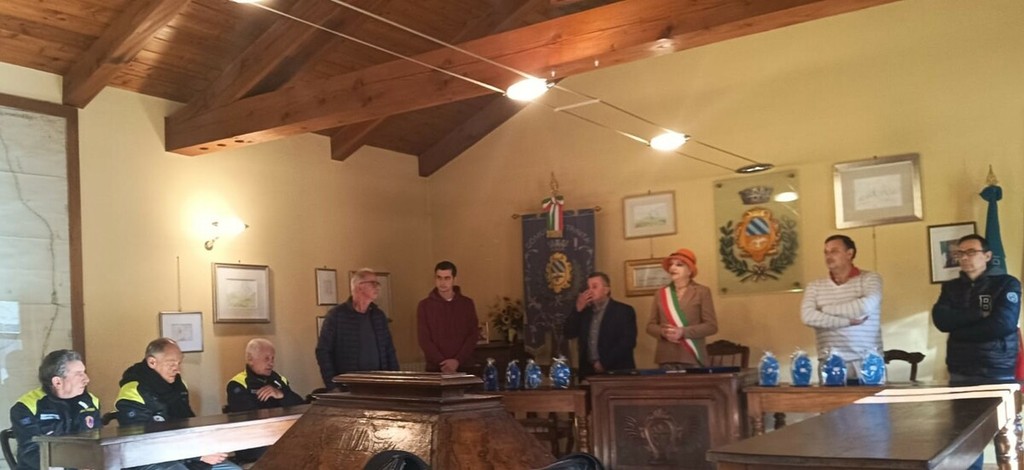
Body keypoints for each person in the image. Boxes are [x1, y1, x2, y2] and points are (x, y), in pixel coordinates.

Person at [932, 234, 1021, 470]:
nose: (965, 257)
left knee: (1005, 433)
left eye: (971, 252)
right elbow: (941, 320)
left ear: (987, 255)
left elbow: (1002, 325)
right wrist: (977, 315)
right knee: (966, 437)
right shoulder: (951, 287)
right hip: (961, 370)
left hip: (996, 368)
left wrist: (959, 330)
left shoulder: (1005, 284)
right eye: (960, 253)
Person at [115, 338, 241, 470]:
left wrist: (206, 446)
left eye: (179, 363)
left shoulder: (178, 384)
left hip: (184, 452)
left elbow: (188, 423)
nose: (177, 369)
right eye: (171, 363)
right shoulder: (133, 391)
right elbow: (143, 443)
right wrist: (197, 455)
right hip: (148, 458)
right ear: (152, 362)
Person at [800, 235, 883, 377]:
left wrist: (825, 310)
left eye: (834, 251)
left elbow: (865, 307)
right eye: (826, 252)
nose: (828, 256)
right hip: (829, 361)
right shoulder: (814, 286)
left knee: (871, 395)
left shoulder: (870, 279)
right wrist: (847, 321)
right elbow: (807, 317)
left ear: (849, 253)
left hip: (867, 361)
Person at [10, 349, 100, 470]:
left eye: (84, 372)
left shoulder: (91, 402)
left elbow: (98, 442)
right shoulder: (27, 407)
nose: (86, 379)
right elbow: (31, 452)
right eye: (79, 374)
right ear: (57, 382)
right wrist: (70, 467)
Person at [316, 268, 400, 389]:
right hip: (349, 385)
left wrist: (396, 381)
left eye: (378, 283)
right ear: (359, 287)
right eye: (373, 283)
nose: (377, 287)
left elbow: (389, 350)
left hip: (380, 383)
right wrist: (332, 385)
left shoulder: (378, 315)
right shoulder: (337, 315)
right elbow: (323, 351)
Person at [225, 338, 304, 463]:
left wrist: (282, 395)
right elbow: (249, 418)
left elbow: (301, 406)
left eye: (273, 359)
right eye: (266, 358)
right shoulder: (237, 384)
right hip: (254, 441)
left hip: (283, 434)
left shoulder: (279, 380)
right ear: (250, 359)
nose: (271, 363)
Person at [646, 249, 719, 369]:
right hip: (666, 356)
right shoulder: (661, 293)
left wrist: (683, 332)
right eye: (671, 264)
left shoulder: (702, 292)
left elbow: (711, 326)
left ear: (690, 271)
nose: (673, 268)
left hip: (692, 355)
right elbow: (650, 326)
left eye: (679, 265)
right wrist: (663, 332)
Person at [564, 272, 637, 378]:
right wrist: (577, 310)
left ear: (606, 290)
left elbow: (627, 342)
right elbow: (568, 333)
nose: (590, 291)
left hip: (617, 371)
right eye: (588, 287)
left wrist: (603, 363)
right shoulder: (584, 312)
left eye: (594, 287)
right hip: (588, 372)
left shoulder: (624, 311)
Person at [416, 261, 480, 374]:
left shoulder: (467, 304)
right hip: (436, 368)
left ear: (454, 279)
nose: (442, 282)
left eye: (447, 278)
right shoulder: (424, 306)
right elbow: (424, 339)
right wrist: (441, 362)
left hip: (464, 366)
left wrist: (457, 360)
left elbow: (473, 335)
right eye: (439, 278)